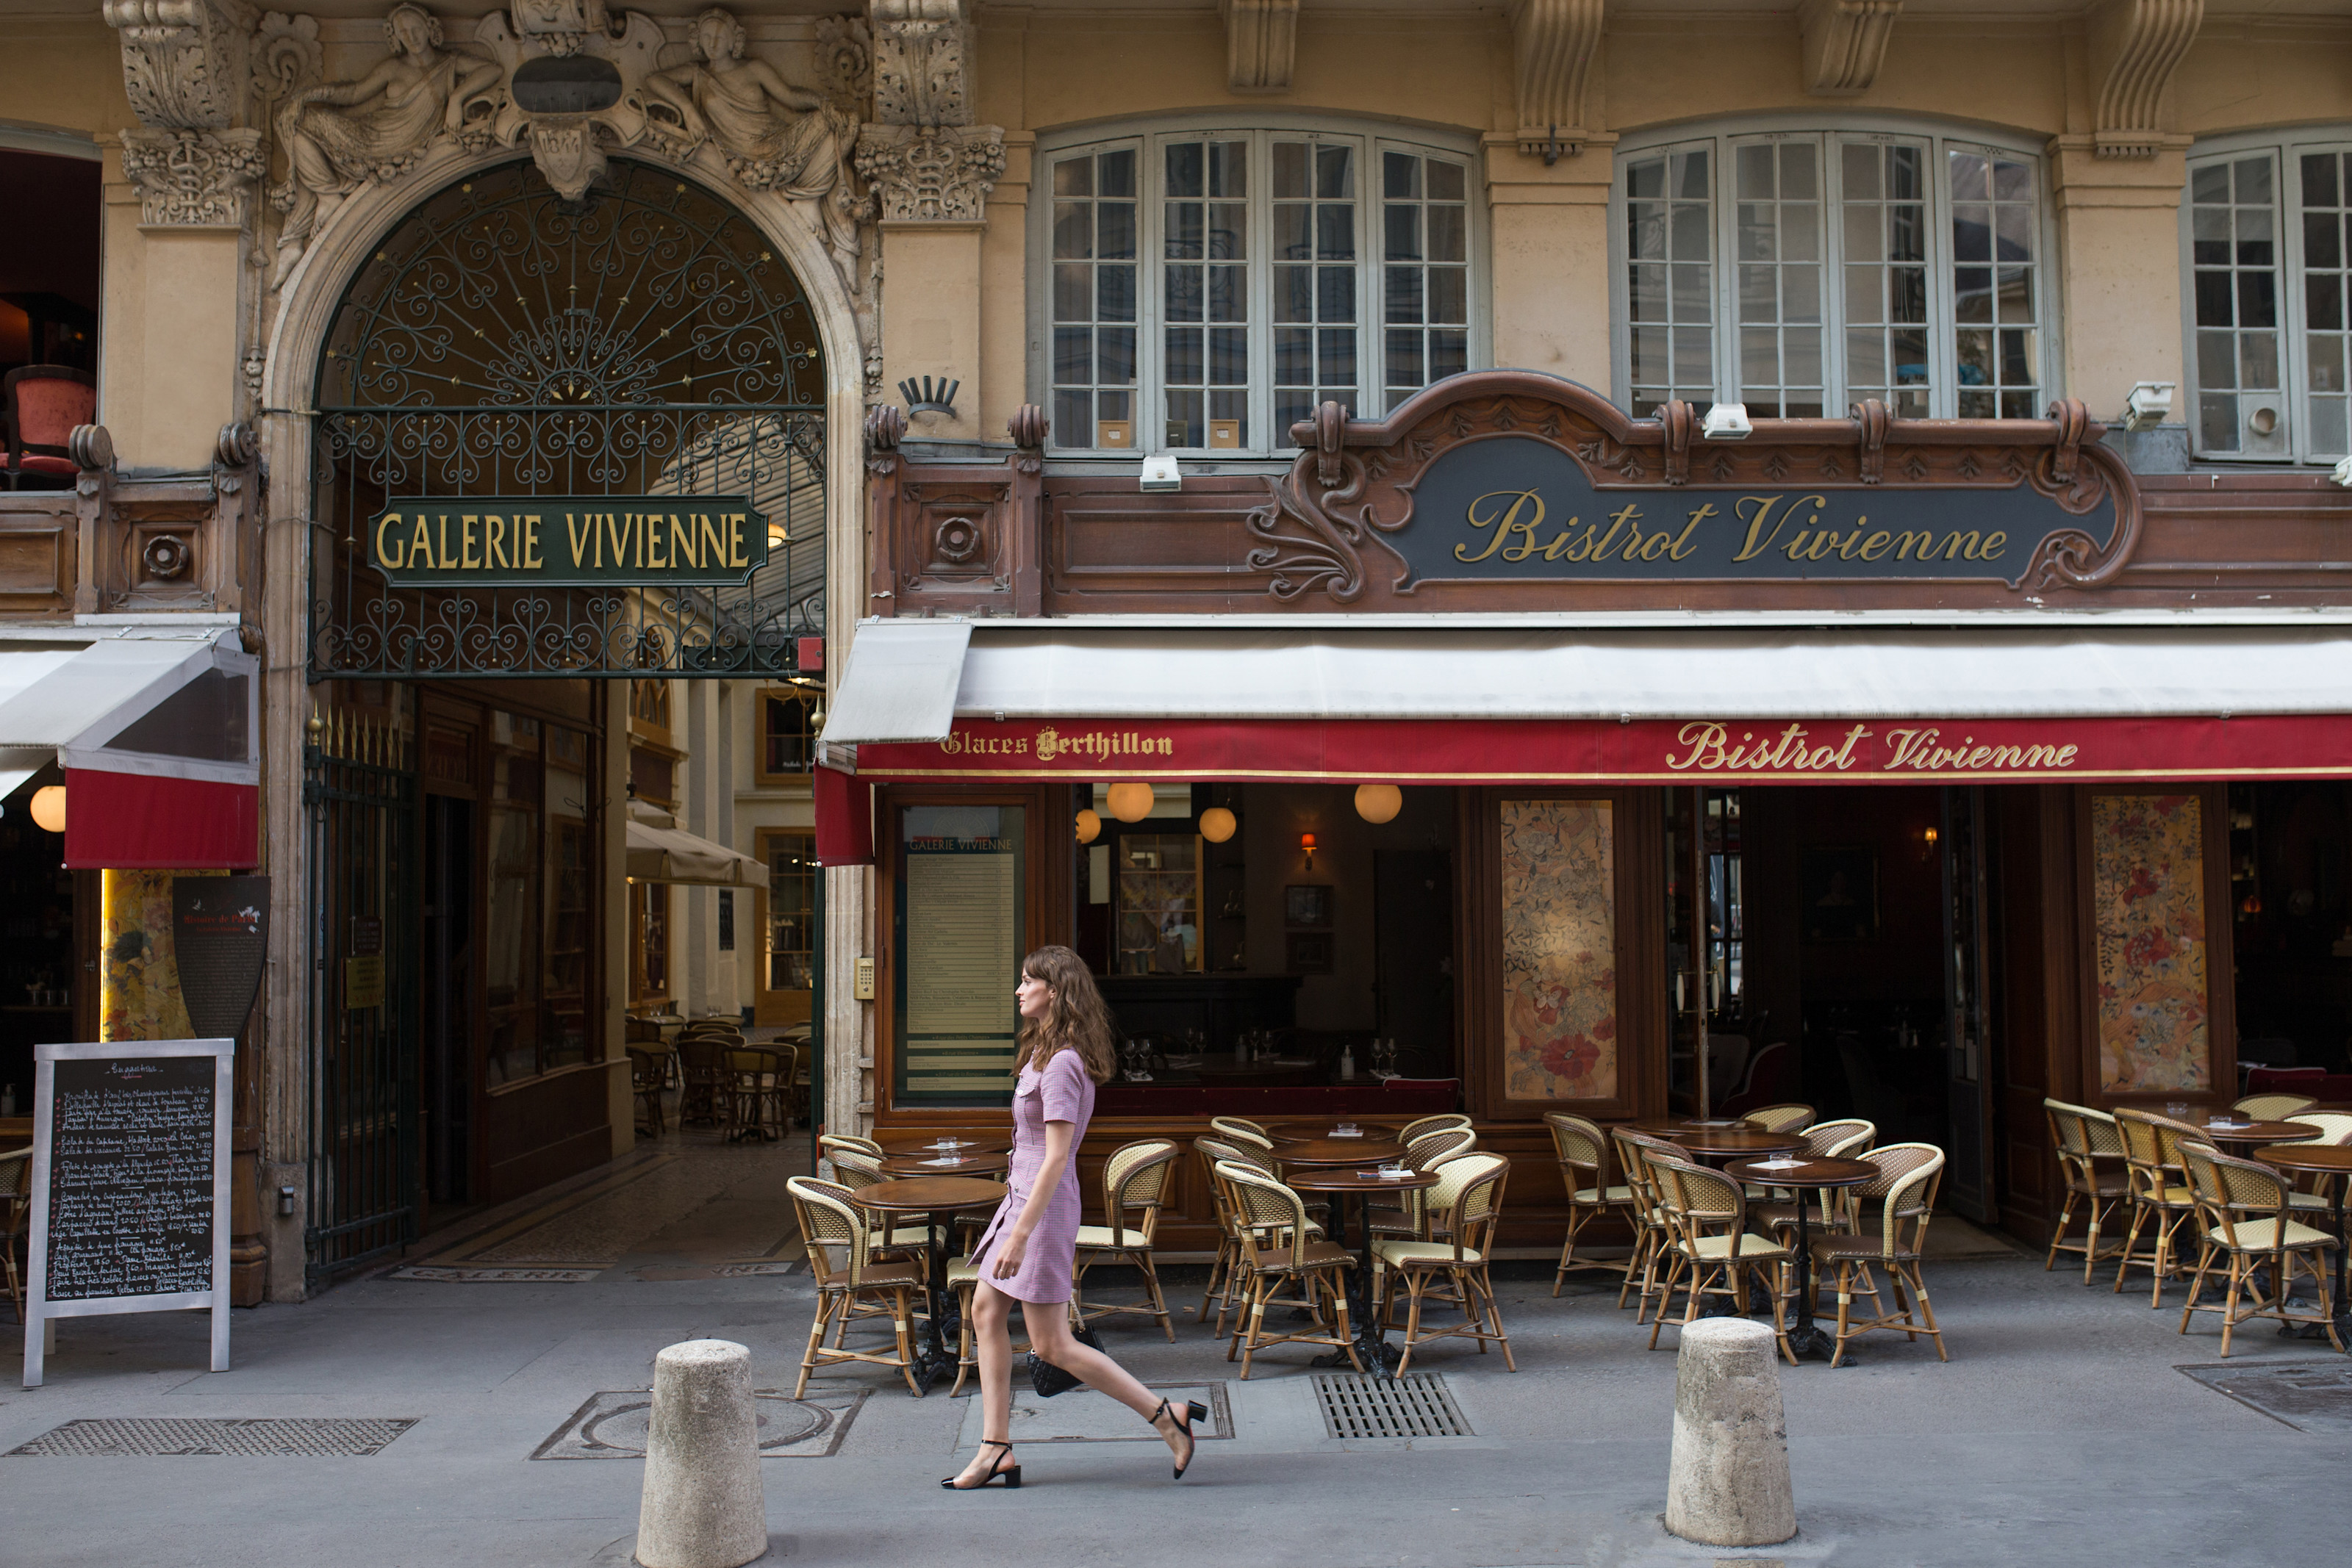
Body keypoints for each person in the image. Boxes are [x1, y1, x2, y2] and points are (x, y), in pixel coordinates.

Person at [943, 945, 1206, 1490]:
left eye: (1028, 981)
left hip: (1040, 1213)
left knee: (1052, 1345)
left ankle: (1167, 1416)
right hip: (1020, 1201)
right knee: (986, 1311)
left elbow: (1058, 1157)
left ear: (1056, 991)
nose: (1019, 990)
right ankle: (996, 1448)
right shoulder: (1043, 1052)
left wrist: (1020, 1235)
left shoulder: (1063, 1063)